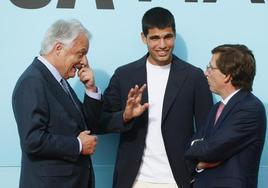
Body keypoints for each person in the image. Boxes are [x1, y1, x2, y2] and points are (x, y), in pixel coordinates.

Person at [100, 7, 213, 188]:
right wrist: (125, 116)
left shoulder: (194, 77)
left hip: (179, 180)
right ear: (143, 38)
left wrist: (195, 167)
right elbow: (100, 121)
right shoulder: (124, 75)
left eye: (167, 37)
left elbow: (206, 129)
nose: (162, 45)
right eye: (154, 38)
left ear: (174, 35)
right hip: (134, 181)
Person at [12, 19, 102, 188]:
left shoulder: (59, 80)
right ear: (59, 48)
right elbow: (32, 140)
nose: (83, 61)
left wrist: (90, 89)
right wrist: (78, 145)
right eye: (81, 53)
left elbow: (87, 126)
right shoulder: (32, 81)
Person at [185, 44, 267, 188]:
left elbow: (210, 150)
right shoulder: (217, 107)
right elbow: (194, 145)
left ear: (228, 75)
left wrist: (200, 151)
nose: (206, 73)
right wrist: (199, 159)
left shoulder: (250, 109)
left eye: (210, 68)